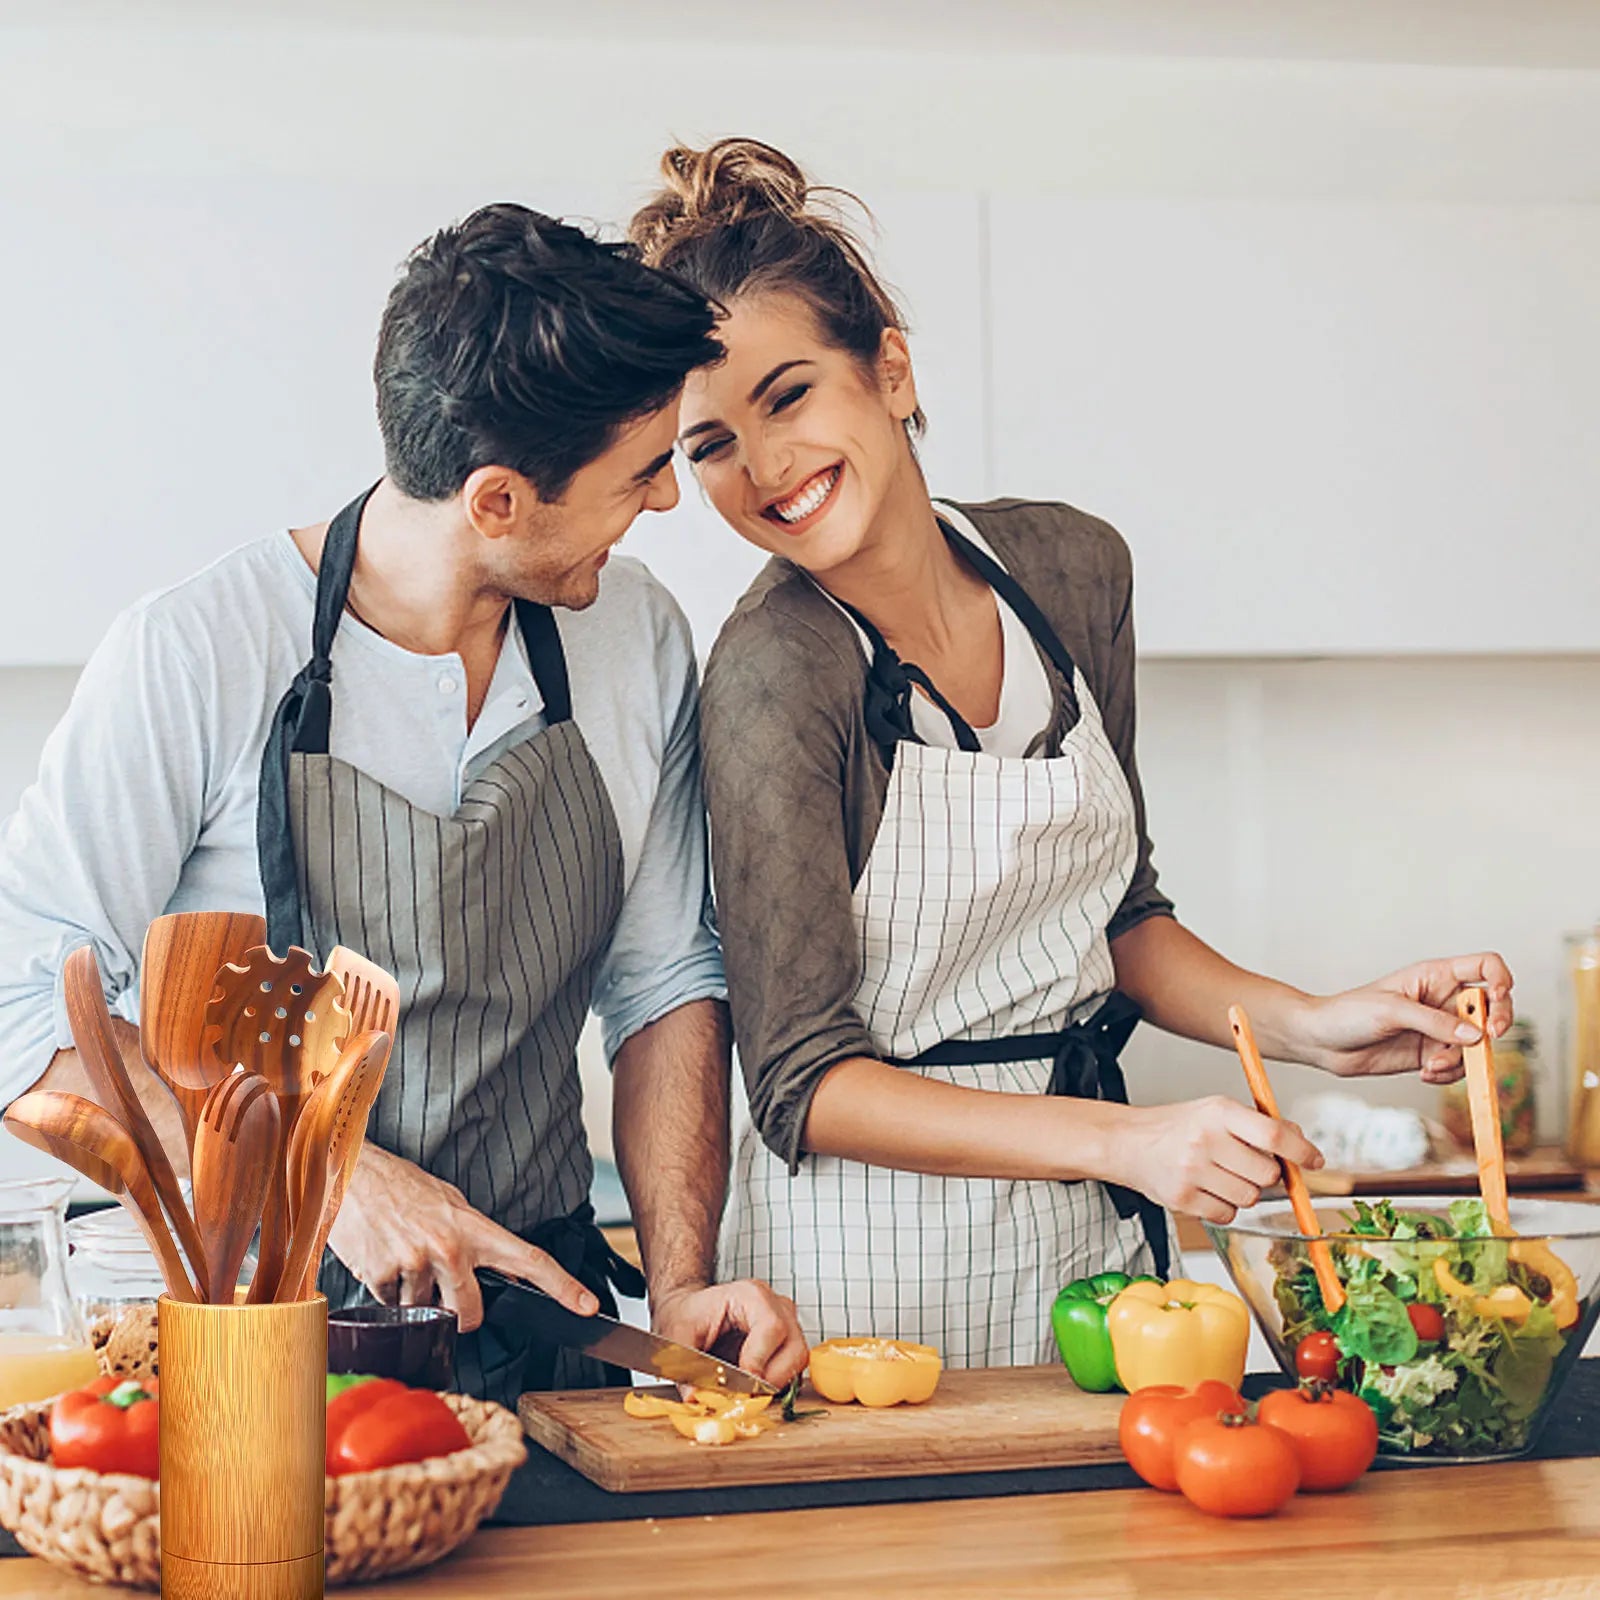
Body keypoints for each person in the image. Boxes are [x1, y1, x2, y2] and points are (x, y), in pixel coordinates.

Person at [629, 141, 1515, 1368]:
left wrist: (1311, 1025)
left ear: (887, 364)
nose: (762, 468)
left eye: (788, 396)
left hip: (1090, 1258)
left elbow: (1119, 920)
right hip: (865, 1279)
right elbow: (799, 1082)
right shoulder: (777, 672)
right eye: (708, 443)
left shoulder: (1070, 571)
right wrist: (1127, 1141)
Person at [0, 203, 806, 1400]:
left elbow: (664, 984)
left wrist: (681, 1285)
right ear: (496, 502)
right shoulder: (198, 652)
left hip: (539, 1323)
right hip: (252, 1336)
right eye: (641, 474)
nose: (669, 503)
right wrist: (337, 1183)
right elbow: (20, 1009)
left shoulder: (632, 637)